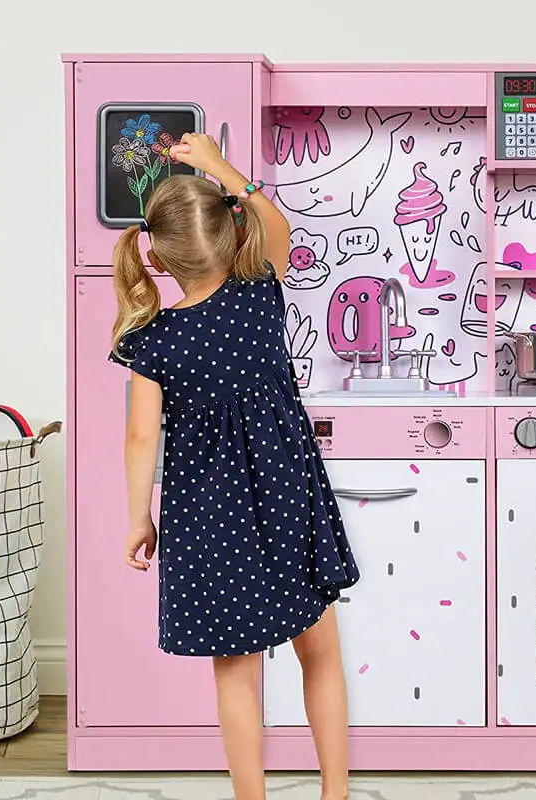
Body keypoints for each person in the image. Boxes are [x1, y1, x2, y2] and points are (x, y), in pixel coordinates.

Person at [109, 133, 359, 800]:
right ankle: (334, 794)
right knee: (321, 654)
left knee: (236, 677)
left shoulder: (150, 341)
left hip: (207, 518)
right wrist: (223, 169)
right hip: (286, 503)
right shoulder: (259, 293)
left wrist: (140, 518)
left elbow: (140, 440)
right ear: (229, 233)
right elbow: (278, 225)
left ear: (156, 255)